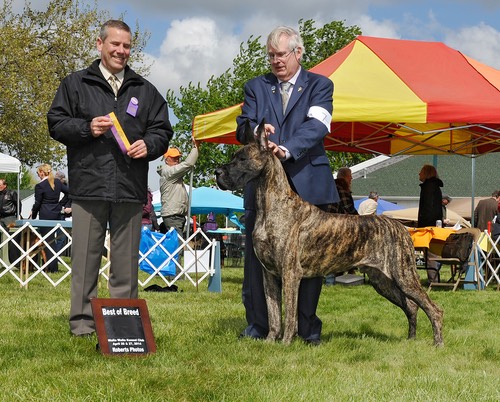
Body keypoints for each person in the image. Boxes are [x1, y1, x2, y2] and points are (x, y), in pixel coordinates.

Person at [47, 19, 173, 336]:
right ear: (99, 44)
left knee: (126, 265)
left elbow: (162, 130)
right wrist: (86, 128)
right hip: (89, 187)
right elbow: (56, 123)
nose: (121, 51)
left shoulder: (145, 90)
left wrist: (151, 144)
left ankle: (123, 328)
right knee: (85, 262)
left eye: (126, 46)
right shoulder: (75, 84)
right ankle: (83, 324)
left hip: (130, 190)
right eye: (115, 44)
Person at [235, 26, 339, 345]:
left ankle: (307, 328)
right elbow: (242, 127)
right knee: (258, 260)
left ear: (298, 53)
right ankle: (259, 326)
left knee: (310, 261)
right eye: (271, 55)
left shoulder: (321, 85)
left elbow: (318, 125)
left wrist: (287, 148)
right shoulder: (255, 87)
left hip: (309, 183)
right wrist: (256, 130)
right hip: (264, 192)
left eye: (281, 54)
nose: (276, 60)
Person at [30, 164, 69, 273]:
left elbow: (37, 204)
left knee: (47, 241)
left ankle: (51, 268)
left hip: (45, 214)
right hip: (56, 214)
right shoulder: (57, 182)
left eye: (38, 173)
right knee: (52, 241)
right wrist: (60, 205)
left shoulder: (40, 186)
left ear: (42, 172)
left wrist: (33, 216)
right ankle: (53, 267)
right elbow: (69, 193)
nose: (38, 175)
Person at [157, 137, 199, 237]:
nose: (177, 160)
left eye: (178, 157)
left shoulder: (169, 173)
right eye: (173, 157)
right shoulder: (169, 172)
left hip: (174, 214)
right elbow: (188, 164)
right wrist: (195, 147)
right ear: (167, 160)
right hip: (173, 215)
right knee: (178, 244)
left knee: (175, 243)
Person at [417, 164, 444, 284]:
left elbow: (428, 208)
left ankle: (433, 280)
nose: (418, 174)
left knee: (431, 254)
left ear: (426, 173)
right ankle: (433, 278)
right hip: (433, 224)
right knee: (432, 253)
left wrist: (423, 226)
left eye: (421, 171)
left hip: (429, 226)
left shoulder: (429, 187)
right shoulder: (434, 187)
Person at [0, 178, 21, 265]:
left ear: (5, 185)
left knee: (12, 239)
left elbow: (18, 204)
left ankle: (14, 261)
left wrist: (17, 215)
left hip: (10, 217)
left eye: (0, 185)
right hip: (0, 218)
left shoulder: (12, 193)